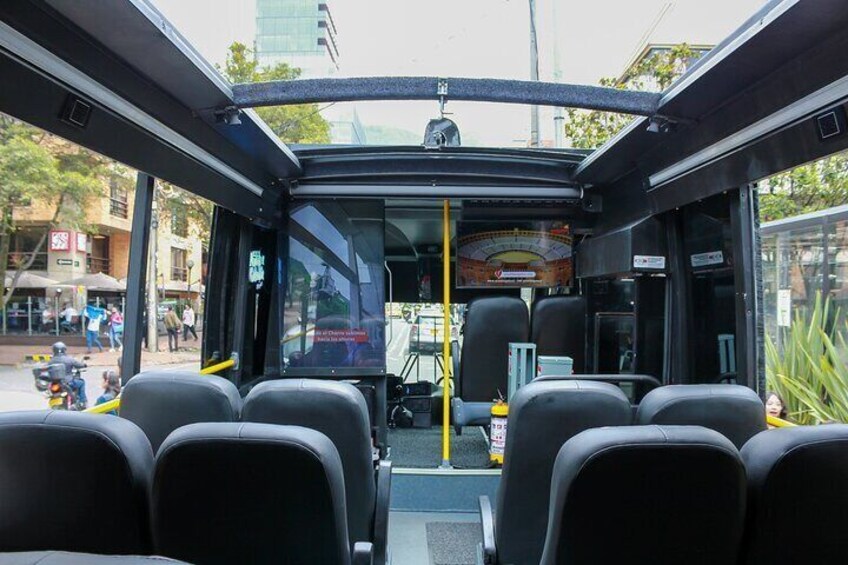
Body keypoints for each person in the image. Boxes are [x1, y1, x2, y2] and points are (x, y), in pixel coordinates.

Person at [50, 341, 87, 408]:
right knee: (82, 382)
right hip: (69, 383)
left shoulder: (51, 361)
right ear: (64, 350)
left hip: (56, 385)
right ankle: (83, 401)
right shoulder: (69, 359)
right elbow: (79, 365)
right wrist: (84, 365)